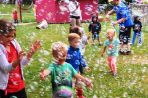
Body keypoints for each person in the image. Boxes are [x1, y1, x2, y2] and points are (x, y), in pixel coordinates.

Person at [0, 19, 41, 98]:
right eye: (7, 36)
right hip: (7, 89)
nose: (11, 38)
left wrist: (30, 53)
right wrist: (17, 60)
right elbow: (6, 69)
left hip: (20, 86)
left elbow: (22, 63)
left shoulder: (14, 43)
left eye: (12, 35)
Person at [66, 33, 90, 98]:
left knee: (79, 83)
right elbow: (66, 62)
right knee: (71, 85)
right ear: (70, 42)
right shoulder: (68, 52)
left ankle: (80, 95)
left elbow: (81, 59)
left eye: (78, 42)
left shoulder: (78, 50)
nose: (77, 43)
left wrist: (85, 65)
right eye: (75, 42)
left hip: (77, 71)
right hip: (70, 73)